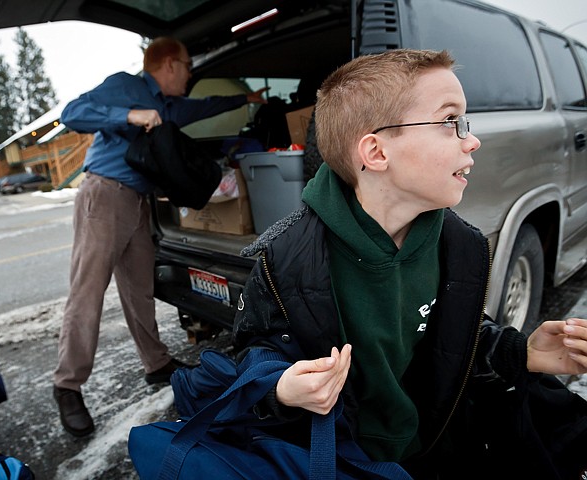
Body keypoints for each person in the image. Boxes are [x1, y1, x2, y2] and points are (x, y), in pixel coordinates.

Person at [232, 49, 587, 478]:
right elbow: (255, 351)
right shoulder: (286, 256)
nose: (471, 139)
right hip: (341, 455)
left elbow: (452, 341)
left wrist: (520, 352)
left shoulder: (458, 245)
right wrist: (282, 387)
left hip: (435, 443)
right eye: (449, 121)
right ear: (377, 153)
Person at [54, 36, 268, 437]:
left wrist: (246, 100)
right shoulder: (127, 86)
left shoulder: (170, 106)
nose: (190, 74)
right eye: (187, 66)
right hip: (104, 195)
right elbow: (73, 112)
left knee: (139, 288)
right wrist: (131, 115)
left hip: (138, 202)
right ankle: (67, 385)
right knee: (88, 292)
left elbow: (203, 107)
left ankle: (156, 363)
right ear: (169, 64)